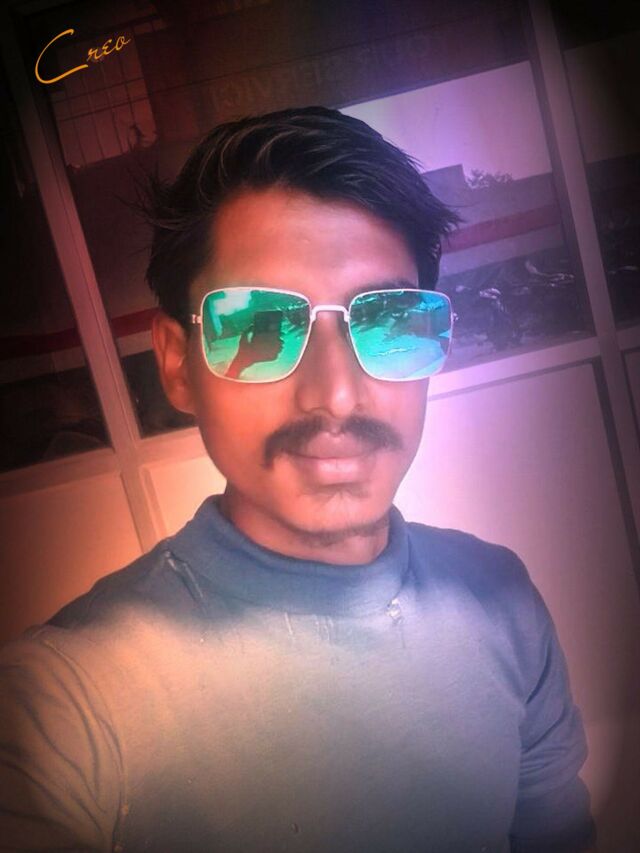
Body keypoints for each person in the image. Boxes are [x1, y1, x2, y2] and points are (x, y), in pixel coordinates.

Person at [0, 107, 596, 852]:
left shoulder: (503, 601)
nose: (336, 396)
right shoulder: (60, 702)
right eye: (257, 327)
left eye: (389, 321)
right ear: (178, 363)